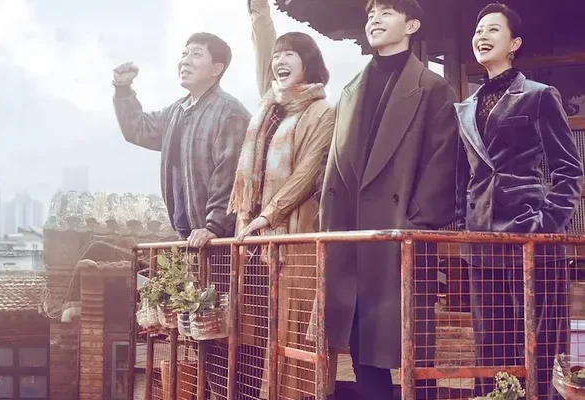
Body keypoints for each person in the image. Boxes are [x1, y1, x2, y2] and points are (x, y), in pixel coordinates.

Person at [319, 0, 460, 398]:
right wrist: (331, 224)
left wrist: (414, 222)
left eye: (387, 12)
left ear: (411, 25)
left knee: (414, 341)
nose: (375, 19)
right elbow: (335, 166)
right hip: (352, 234)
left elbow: (444, 163)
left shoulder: (433, 87)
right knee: (361, 338)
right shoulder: (351, 90)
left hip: (402, 234)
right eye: (370, 14)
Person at [455, 3, 584, 399]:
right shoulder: (465, 108)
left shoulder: (539, 96)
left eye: (493, 29)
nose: (482, 36)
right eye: (478, 30)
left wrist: (545, 226)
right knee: (490, 344)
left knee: (541, 345)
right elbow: (464, 176)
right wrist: (463, 225)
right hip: (482, 242)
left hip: (533, 239)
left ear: (514, 44)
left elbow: (569, 170)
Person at [226, 1, 335, 398]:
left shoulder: (323, 111)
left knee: (292, 330)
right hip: (253, 239)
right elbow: (261, 39)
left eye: (290, 54)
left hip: (292, 235)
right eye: (277, 55)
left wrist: (268, 215)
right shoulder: (268, 106)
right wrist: (257, 10)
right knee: (255, 331)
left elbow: (307, 174)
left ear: (309, 64)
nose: (279, 61)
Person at [112, 32, 250, 247]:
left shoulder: (229, 113)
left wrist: (214, 227)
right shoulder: (177, 110)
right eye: (184, 54)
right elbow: (138, 129)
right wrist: (123, 89)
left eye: (196, 55)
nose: (185, 61)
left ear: (216, 69)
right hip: (191, 235)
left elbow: (230, 176)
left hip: (220, 238)